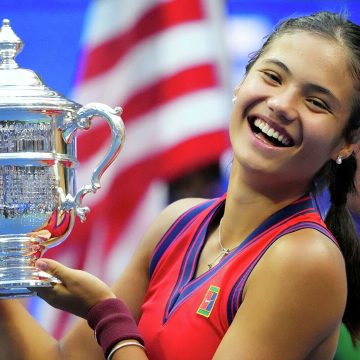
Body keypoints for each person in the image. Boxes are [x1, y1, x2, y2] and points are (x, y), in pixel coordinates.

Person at [1, 10, 360, 360]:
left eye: (316, 102)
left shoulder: (304, 260)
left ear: (347, 141)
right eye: (272, 77)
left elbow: (109, 328)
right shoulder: (176, 223)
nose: (281, 105)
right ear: (241, 81)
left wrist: (105, 314)